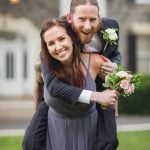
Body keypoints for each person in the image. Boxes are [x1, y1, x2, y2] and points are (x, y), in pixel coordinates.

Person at [22, 0, 121, 149]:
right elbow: (52, 86)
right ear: (70, 18)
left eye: (93, 19)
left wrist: (113, 66)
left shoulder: (111, 27)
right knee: (30, 142)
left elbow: (115, 53)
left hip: (98, 84)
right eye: (81, 19)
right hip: (57, 91)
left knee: (109, 141)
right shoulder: (58, 34)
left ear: (99, 18)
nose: (87, 26)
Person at [41, 17, 118, 150]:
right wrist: (97, 96)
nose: (58, 47)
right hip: (56, 131)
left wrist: (125, 84)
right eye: (51, 43)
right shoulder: (44, 65)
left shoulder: (93, 61)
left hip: (88, 130)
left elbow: (117, 83)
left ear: (72, 38)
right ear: (46, 48)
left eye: (61, 39)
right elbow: (46, 91)